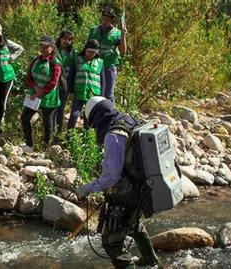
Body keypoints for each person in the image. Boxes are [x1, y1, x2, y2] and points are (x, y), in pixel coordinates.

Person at [74, 96, 159, 269]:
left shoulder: (114, 135)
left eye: (93, 122)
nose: (94, 127)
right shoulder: (129, 120)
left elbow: (111, 176)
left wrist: (87, 189)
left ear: (97, 116)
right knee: (134, 225)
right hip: (144, 187)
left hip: (129, 193)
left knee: (111, 243)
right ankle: (151, 261)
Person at [21, 36, 62, 153]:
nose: (43, 49)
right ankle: (29, 145)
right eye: (41, 46)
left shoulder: (55, 63)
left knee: (47, 124)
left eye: (46, 46)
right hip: (34, 94)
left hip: (49, 97)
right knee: (25, 118)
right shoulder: (36, 60)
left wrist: (41, 92)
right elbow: (29, 76)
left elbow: (54, 81)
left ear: (52, 48)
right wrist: (35, 87)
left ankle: (45, 150)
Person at [88, 7, 127, 102]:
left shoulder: (116, 33)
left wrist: (123, 34)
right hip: (95, 66)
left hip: (108, 66)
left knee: (108, 94)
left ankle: (109, 114)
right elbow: (87, 48)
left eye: (107, 20)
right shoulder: (93, 30)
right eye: (103, 19)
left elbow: (123, 51)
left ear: (112, 20)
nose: (104, 22)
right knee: (96, 93)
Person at [67, 39, 105, 130]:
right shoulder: (77, 59)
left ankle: (86, 137)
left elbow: (103, 81)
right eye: (89, 51)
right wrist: (71, 91)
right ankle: (69, 137)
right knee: (74, 115)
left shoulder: (99, 62)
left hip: (93, 95)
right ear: (85, 50)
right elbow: (71, 76)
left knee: (88, 118)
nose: (91, 54)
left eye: (93, 52)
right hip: (79, 93)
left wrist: (102, 96)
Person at [54, 29, 76, 134]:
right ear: (60, 38)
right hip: (53, 83)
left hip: (65, 84)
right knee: (52, 106)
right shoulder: (54, 50)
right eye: (64, 39)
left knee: (61, 108)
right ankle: (50, 130)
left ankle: (57, 132)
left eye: (69, 40)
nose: (66, 41)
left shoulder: (72, 53)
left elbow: (74, 70)